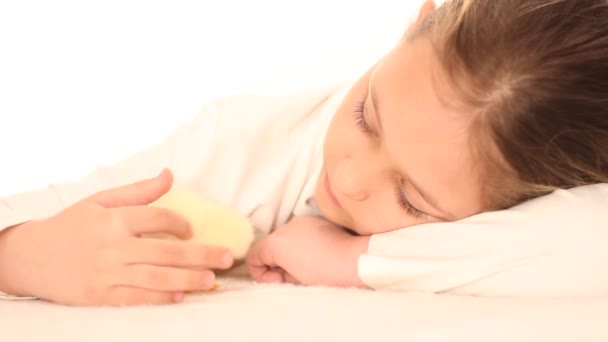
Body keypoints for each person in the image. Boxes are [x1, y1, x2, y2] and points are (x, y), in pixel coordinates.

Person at [1, 0, 607, 306]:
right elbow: (34, 219)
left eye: (409, 198)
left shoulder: (558, 211)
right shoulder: (240, 146)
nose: (346, 174)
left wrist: (353, 261)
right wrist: (21, 255)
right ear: (416, 22)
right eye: (368, 116)